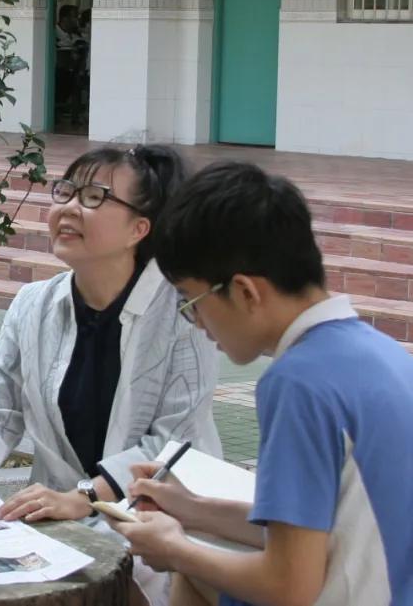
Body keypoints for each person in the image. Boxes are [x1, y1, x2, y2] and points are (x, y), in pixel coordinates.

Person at [0, 145, 220, 600]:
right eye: (65, 191)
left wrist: (85, 496)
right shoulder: (33, 303)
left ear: (139, 228)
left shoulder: (182, 311)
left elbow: (172, 444)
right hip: (59, 515)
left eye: (94, 197)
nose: (70, 207)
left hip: (158, 515)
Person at [110, 162, 413, 606]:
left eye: (192, 303)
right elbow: (306, 528)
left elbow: (288, 586)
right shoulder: (380, 353)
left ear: (246, 292)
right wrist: (192, 508)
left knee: (187, 570)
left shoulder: (299, 383)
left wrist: (174, 549)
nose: (197, 325)